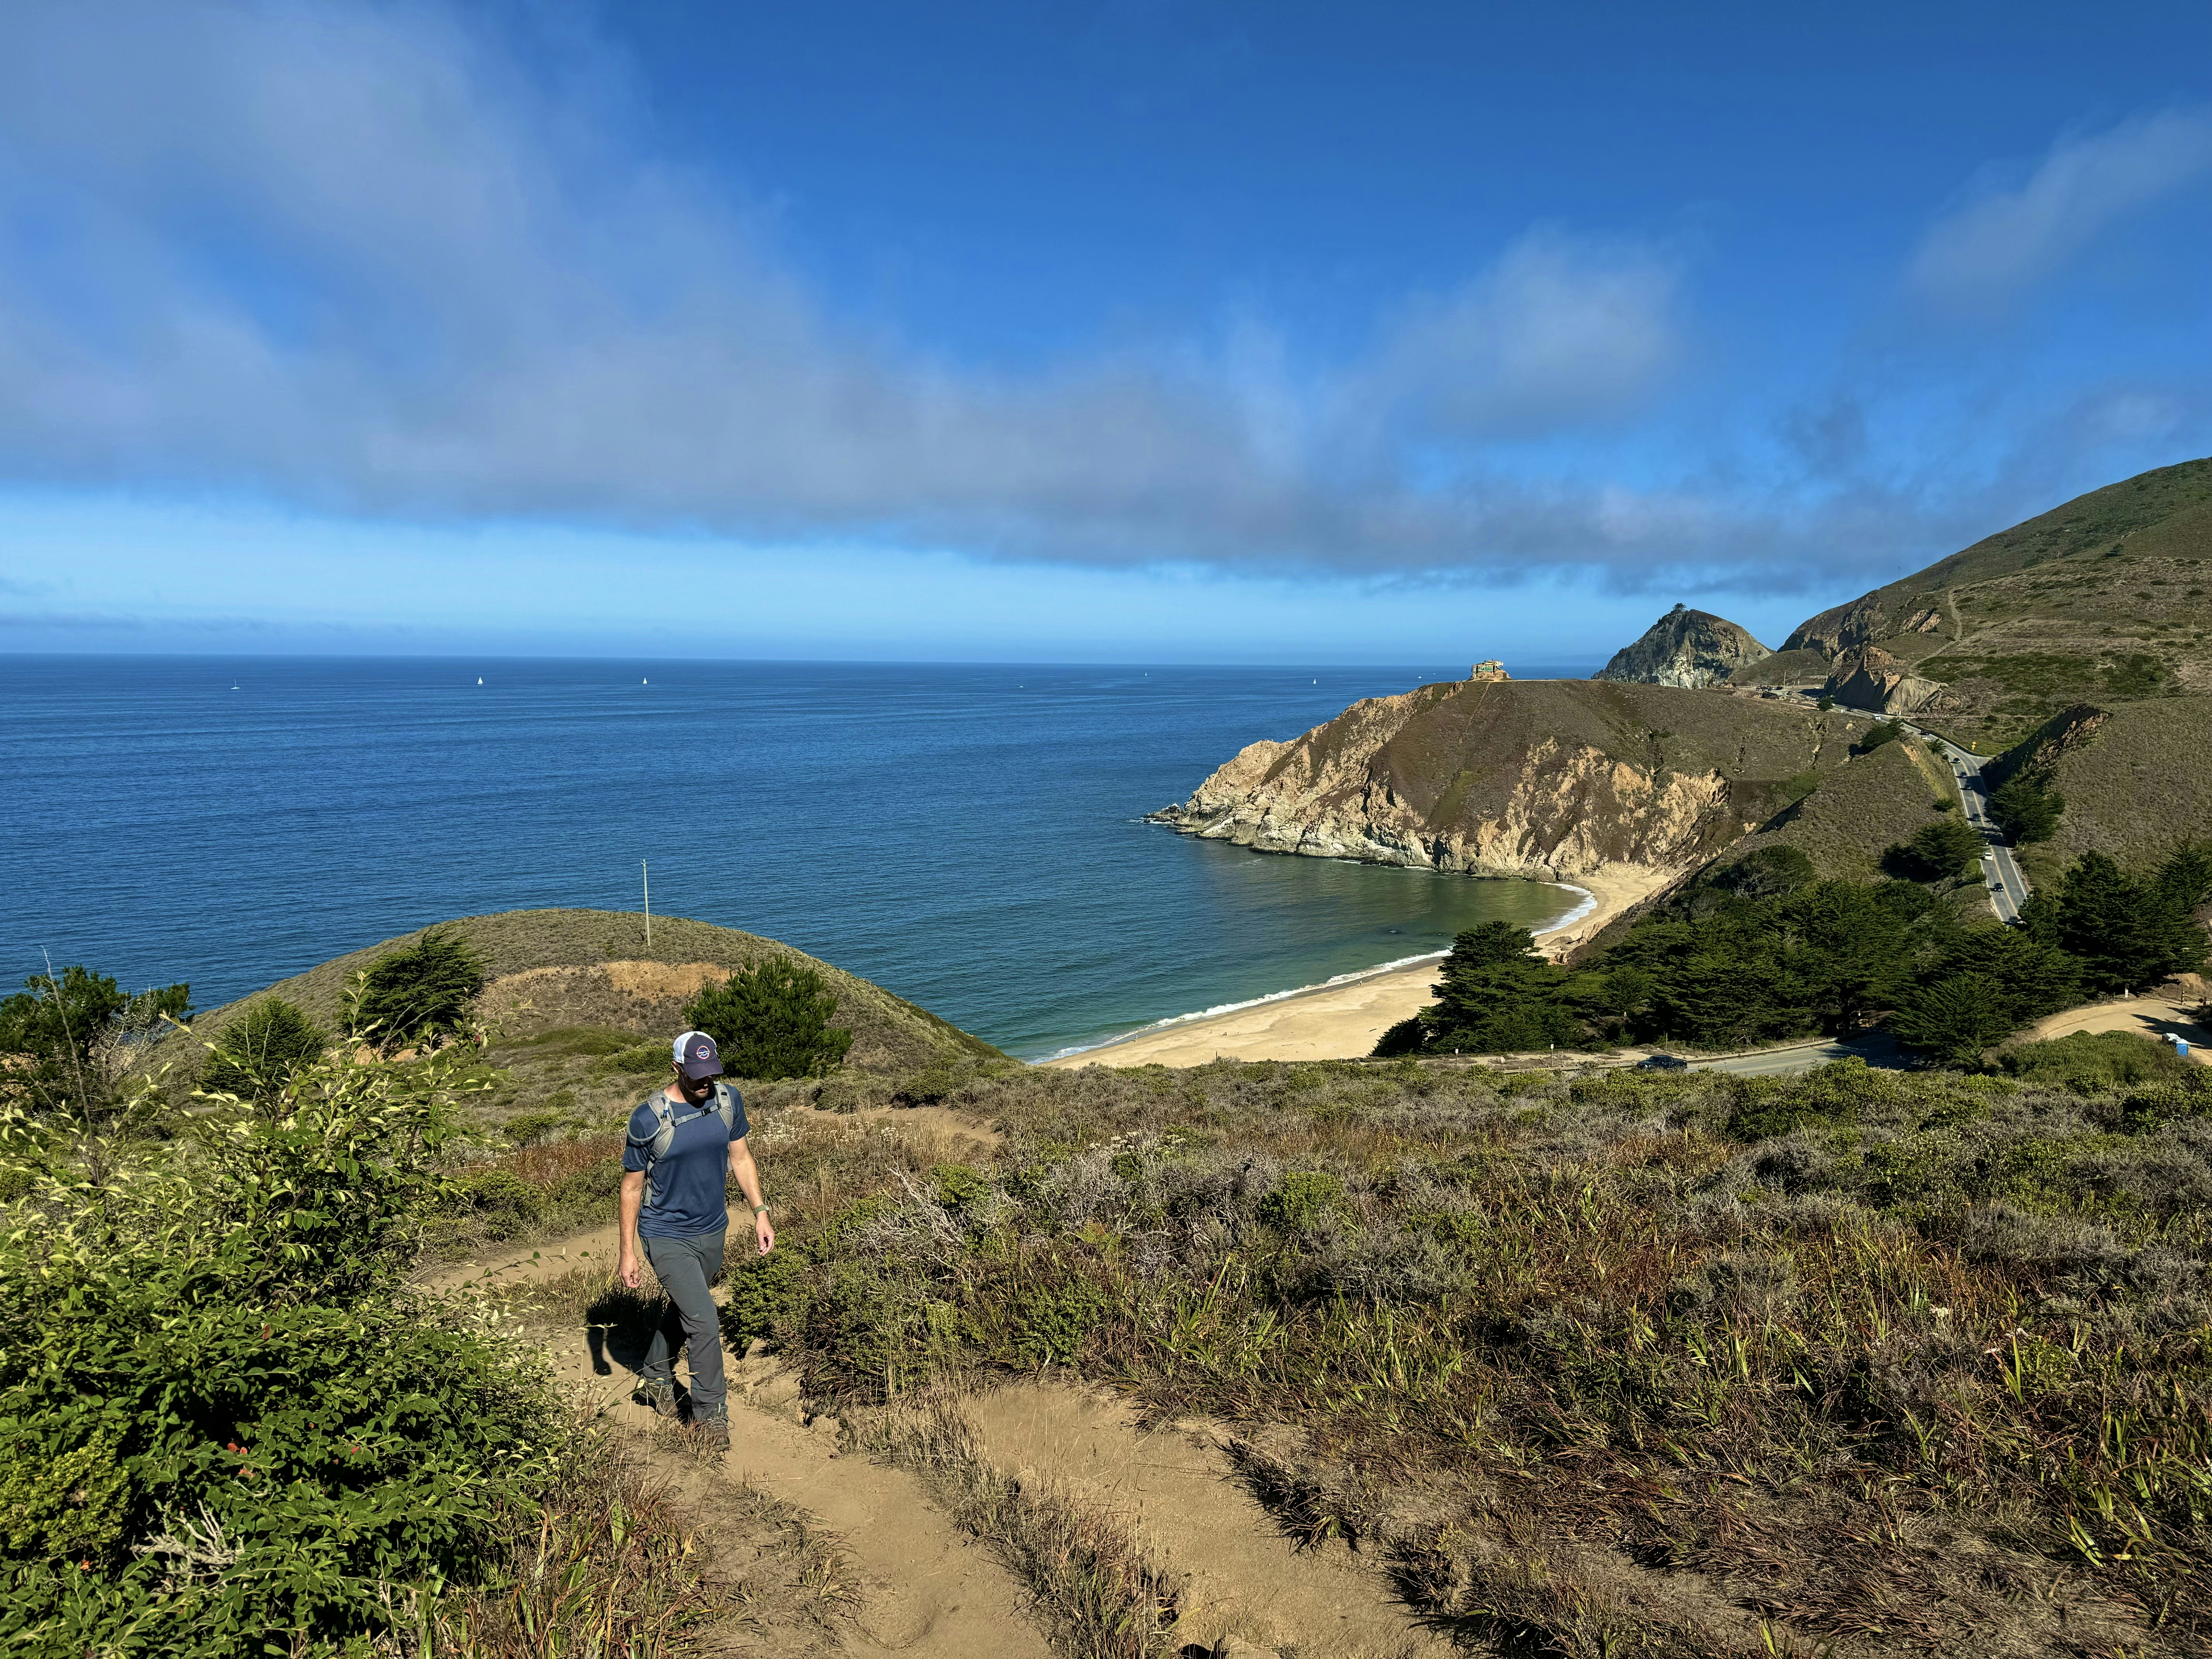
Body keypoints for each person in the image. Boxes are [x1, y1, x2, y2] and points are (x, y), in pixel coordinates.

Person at [618, 1029, 774, 1447]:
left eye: (711, 1074)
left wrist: (760, 1212)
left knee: (688, 1310)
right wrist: (628, 1252)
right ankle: (710, 1418)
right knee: (704, 1321)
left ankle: (652, 1379)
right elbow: (632, 1188)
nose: (706, 1083)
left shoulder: (728, 1101)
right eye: (696, 1076)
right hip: (665, 1233)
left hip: (712, 1229)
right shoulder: (649, 1117)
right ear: (676, 1069)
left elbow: (741, 1158)